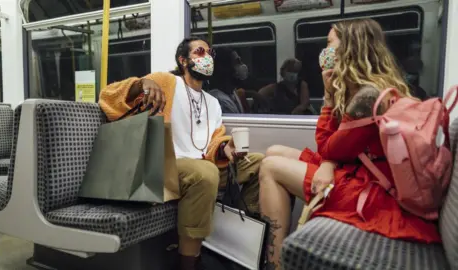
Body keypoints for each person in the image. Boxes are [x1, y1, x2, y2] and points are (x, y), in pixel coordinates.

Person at [258, 19, 441, 270]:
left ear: (350, 49)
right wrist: (329, 162)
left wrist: (328, 98)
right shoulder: (368, 89)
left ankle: (275, 263)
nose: (325, 51)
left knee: (270, 166)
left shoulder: (367, 97)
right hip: (360, 171)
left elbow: (327, 147)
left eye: (329, 43)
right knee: (274, 151)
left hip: (374, 192)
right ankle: (279, 241)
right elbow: (339, 149)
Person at [98, 37, 263, 270]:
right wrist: (142, 83)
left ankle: (248, 233)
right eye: (199, 52)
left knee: (259, 163)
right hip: (162, 164)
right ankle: (188, 262)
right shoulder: (166, 82)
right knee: (204, 173)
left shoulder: (213, 103)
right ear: (183, 61)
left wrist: (225, 149)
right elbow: (108, 96)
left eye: (210, 53)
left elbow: (212, 141)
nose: (206, 57)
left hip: (200, 163)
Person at [208, 47, 249, 114]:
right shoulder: (220, 101)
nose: (242, 65)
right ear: (226, 68)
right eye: (237, 62)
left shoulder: (231, 92)